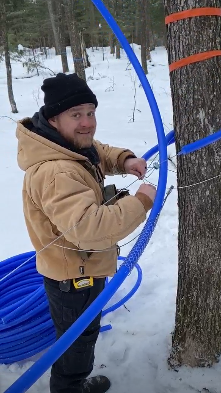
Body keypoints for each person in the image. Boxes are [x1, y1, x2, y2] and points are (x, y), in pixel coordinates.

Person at [16, 73, 156, 393]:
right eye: (75, 115)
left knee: (79, 335)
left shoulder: (65, 144)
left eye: (90, 112)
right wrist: (142, 202)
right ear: (54, 119)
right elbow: (90, 230)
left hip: (80, 267)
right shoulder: (55, 171)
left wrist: (125, 160)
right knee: (77, 342)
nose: (86, 123)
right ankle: (70, 388)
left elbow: (95, 150)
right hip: (74, 277)